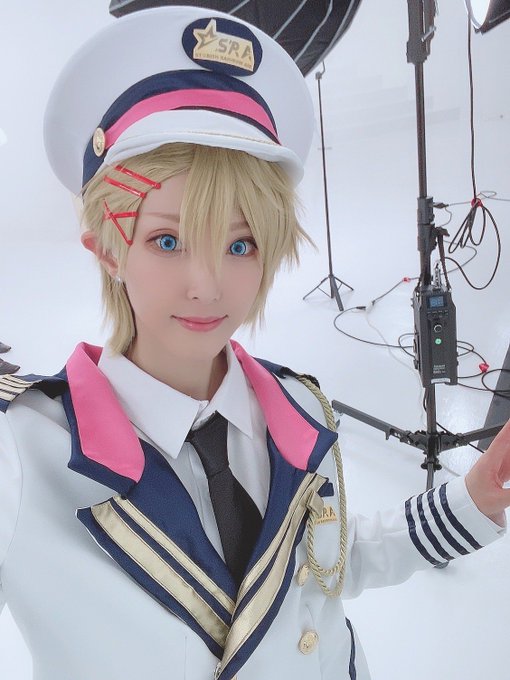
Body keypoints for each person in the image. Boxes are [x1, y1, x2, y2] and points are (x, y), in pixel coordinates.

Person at [0, 6, 509, 680]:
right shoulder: (23, 454)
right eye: (167, 240)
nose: (208, 286)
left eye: (240, 245)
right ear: (108, 250)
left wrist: (471, 500)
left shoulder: (298, 407)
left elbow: (319, 567)